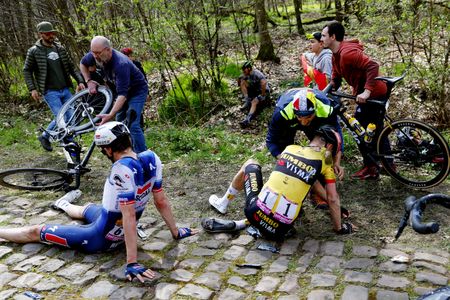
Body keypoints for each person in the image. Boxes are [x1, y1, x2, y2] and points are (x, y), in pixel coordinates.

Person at [0, 121, 197, 282]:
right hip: (109, 219)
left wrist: (132, 262)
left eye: (103, 151)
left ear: (109, 149)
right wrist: (176, 231)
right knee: (89, 209)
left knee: (36, 232)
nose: (104, 154)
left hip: (100, 239)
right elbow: (160, 200)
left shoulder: (121, 169)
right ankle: (64, 204)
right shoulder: (152, 158)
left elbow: (128, 216)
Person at [204, 126, 354, 240]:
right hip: (282, 229)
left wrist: (336, 207)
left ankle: (224, 204)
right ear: (329, 147)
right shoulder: (324, 165)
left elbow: (306, 178)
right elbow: (332, 198)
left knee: (251, 163)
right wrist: (340, 228)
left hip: (254, 213)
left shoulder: (290, 149)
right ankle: (241, 223)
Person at [321, 21, 389, 180]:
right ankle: (383, 165)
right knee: (372, 129)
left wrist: (366, 91)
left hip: (374, 93)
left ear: (333, 36)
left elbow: (373, 65)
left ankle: (373, 167)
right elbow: (336, 80)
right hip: (366, 94)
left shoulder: (347, 53)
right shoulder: (335, 55)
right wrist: (321, 92)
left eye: (324, 35)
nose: (321, 38)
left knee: (360, 129)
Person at [266, 88, 344, 209]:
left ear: (315, 110)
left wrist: (336, 161)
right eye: (300, 117)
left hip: (317, 121)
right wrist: (285, 159)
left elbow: (336, 136)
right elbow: (271, 141)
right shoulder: (282, 113)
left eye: (308, 117)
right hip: (289, 119)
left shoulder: (326, 109)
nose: (303, 122)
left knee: (325, 145)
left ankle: (318, 190)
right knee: (286, 153)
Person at [80, 36, 148, 153]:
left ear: (107, 49)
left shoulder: (121, 64)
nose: (95, 56)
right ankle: (124, 151)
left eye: (98, 53)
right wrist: (88, 81)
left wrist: (110, 114)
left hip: (137, 91)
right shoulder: (95, 55)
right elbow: (83, 64)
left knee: (133, 124)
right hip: (120, 91)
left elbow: (123, 95)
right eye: (93, 52)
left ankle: (142, 156)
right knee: (118, 123)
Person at [23, 21, 85, 151]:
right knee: (61, 118)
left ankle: (48, 137)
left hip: (65, 89)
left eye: (52, 33)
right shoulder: (34, 51)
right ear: (41, 34)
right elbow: (27, 70)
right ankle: (68, 142)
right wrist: (32, 88)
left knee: (71, 116)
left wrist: (80, 81)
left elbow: (71, 68)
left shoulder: (60, 48)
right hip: (50, 91)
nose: (51, 36)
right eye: (48, 34)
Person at [238, 61, 270, 128]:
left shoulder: (257, 74)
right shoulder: (247, 74)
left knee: (254, 102)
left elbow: (264, 83)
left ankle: (247, 119)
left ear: (249, 68)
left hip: (264, 92)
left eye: (244, 69)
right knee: (242, 82)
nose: (243, 71)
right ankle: (247, 100)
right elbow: (240, 79)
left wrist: (263, 94)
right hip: (255, 90)